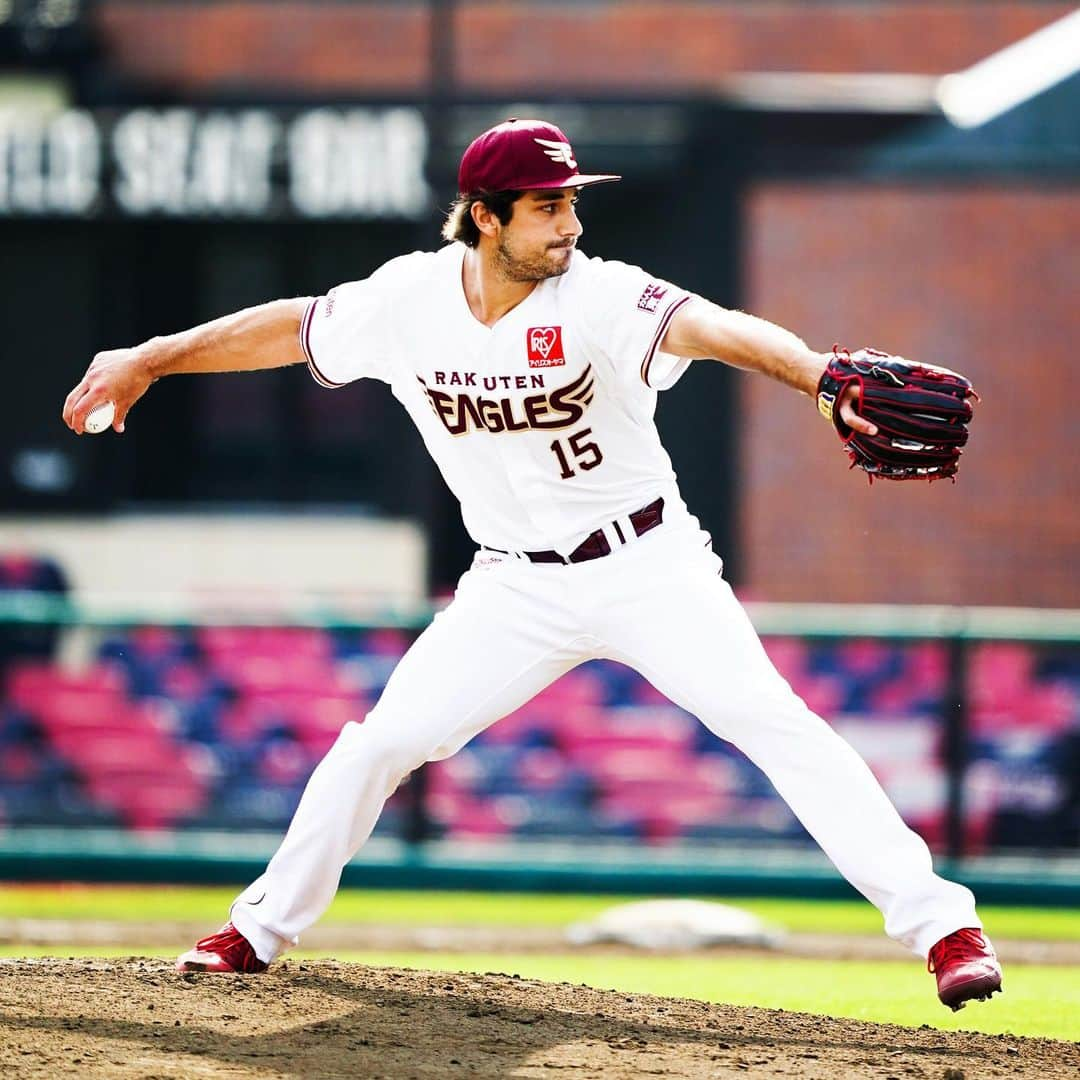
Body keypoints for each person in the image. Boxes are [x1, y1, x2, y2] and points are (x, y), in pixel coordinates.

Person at [63, 117, 1002, 1010]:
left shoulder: (597, 293)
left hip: (648, 565)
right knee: (384, 742)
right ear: (486, 216)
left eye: (571, 201)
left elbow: (715, 329)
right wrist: (150, 356)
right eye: (548, 206)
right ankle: (255, 931)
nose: (570, 222)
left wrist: (821, 376)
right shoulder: (408, 301)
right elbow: (287, 327)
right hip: (513, 583)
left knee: (772, 723)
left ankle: (943, 929)